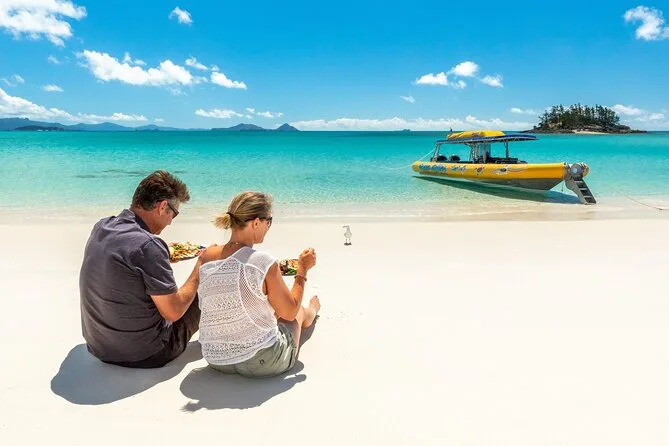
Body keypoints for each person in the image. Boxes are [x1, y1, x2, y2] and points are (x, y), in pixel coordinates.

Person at [80, 170, 202, 368]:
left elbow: (125, 264)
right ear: (163, 206)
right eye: (174, 213)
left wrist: (162, 255)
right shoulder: (148, 245)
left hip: (98, 346)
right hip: (145, 354)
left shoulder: (102, 226)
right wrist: (201, 266)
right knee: (206, 285)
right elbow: (173, 312)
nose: (171, 221)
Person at [197, 191, 320, 378]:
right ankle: (311, 313)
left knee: (264, 304)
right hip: (262, 362)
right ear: (256, 222)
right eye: (268, 221)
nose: (268, 226)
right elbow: (289, 312)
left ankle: (307, 312)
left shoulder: (206, 256)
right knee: (297, 313)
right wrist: (302, 271)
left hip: (216, 358)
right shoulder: (262, 261)